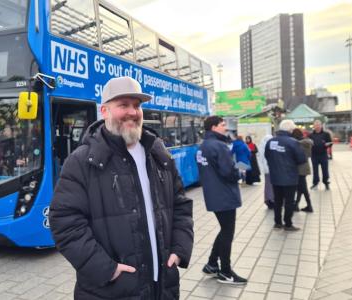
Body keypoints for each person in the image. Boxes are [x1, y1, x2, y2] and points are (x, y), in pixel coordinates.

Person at [49, 76, 194, 299]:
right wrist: (108, 270)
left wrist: (179, 249)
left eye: (137, 106)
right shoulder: (81, 161)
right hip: (112, 290)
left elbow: (181, 205)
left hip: (162, 287)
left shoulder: (158, 153)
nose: (132, 112)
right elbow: (65, 223)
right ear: (104, 111)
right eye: (123, 105)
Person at [197, 116, 247, 285]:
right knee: (227, 233)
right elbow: (229, 172)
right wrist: (240, 173)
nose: (226, 127)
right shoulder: (219, 146)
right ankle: (225, 272)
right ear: (213, 127)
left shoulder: (203, 145)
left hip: (213, 194)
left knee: (224, 229)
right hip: (224, 195)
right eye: (222, 125)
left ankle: (212, 264)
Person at [265, 120, 307, 231]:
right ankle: (288, 224)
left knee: (278, 201)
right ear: (290, 130)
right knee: (289, 201)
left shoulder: (271, 142)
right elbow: (302, 159)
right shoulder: (293, 142)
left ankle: (277, 223)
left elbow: (267, 156)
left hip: (275, 177)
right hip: (289, 177)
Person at [292, 128, 313, 212]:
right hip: (305, 167)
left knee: (303, 188)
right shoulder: (306, 142)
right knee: (301, 187)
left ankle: (309, 206)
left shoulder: (298, 144)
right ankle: (296, 205)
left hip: (300, 168)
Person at [309, 120, 332, 190]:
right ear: (314, 126)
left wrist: (327, 145)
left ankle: (326, 182)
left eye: (318, 125)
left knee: (325, 170)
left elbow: (330, 143)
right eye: (316, 125)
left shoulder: (326, 134)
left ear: (321, 125)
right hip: (314, 155)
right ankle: (315, 183)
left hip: (323, 155)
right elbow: (307, 144)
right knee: (315, 170)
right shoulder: (311, 135)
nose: (317, 126)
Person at [258, 134, 274, 209]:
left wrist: (262, 169)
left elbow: (260, 159)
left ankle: (267, 199)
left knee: (267, 185)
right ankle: (272, 199)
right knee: (272, 185)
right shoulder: (271, 146)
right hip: (272, 169)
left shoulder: (261, 147)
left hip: (266, 170)